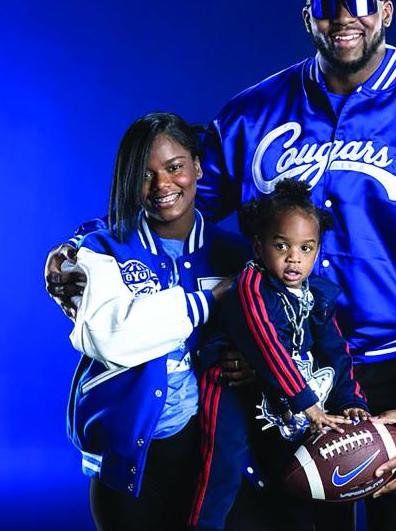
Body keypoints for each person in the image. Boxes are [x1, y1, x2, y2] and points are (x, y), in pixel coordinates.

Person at [48, 0, 396, 531]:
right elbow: (172, 202)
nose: (344, 16)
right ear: (307, 16)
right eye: (325, 4)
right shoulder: (253, 116)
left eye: (361, 1)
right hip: (289, 374)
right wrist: (85, 247)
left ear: (386, 11)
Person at [61, 112, 247, 531]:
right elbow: (110, 336)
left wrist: (250, 363)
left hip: (211, 453)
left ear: (197, 167)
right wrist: (208, 300)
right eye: (145, 175)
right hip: (130, 458)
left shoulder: (235, 255)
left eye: (175, 167)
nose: (163, 185)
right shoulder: (101, 249)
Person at [188, 179, 370, 531]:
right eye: (281, 245)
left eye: (306, 248)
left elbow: (335, 350)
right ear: (258, 247)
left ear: (317, 252)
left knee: (295, 474)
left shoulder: (315, 294)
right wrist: (309, 404)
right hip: (230, 386)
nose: (293, 258)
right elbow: (266, 345)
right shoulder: (249, 286)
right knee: (224, 461)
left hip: (282, 394)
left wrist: (351, 400)